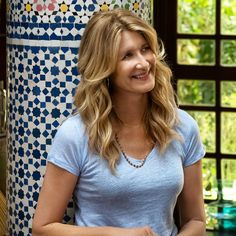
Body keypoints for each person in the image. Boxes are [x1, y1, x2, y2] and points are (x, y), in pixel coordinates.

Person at [32, 8, 206, 236]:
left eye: (145, 49)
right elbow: (42, 228)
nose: (143, 63)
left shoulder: (183, 126)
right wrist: (116, 234)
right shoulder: (75, 134)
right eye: (127, 55)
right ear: (105, 68)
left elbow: (196, 220)